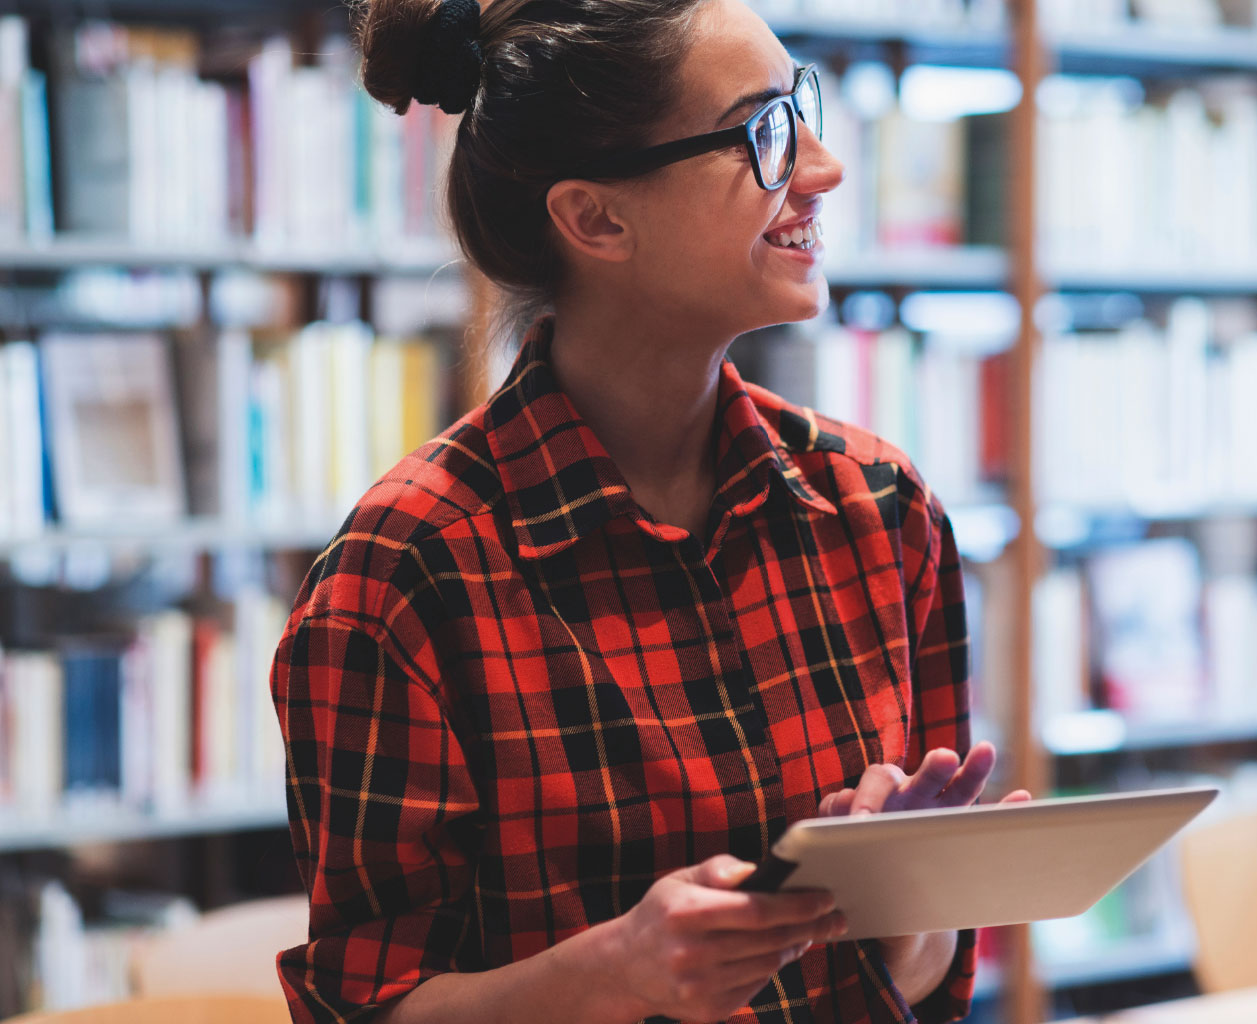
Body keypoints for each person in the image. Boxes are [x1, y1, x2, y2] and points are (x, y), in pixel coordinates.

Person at [270, 0, 1031, 1022]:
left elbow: (934, 969)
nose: (821, 170)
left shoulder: (881, 510)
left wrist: (900, 899)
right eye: (762, 133)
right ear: (595, 218)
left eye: (799, 109)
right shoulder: (406, 572)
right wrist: (616, 970)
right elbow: (362, 1007)